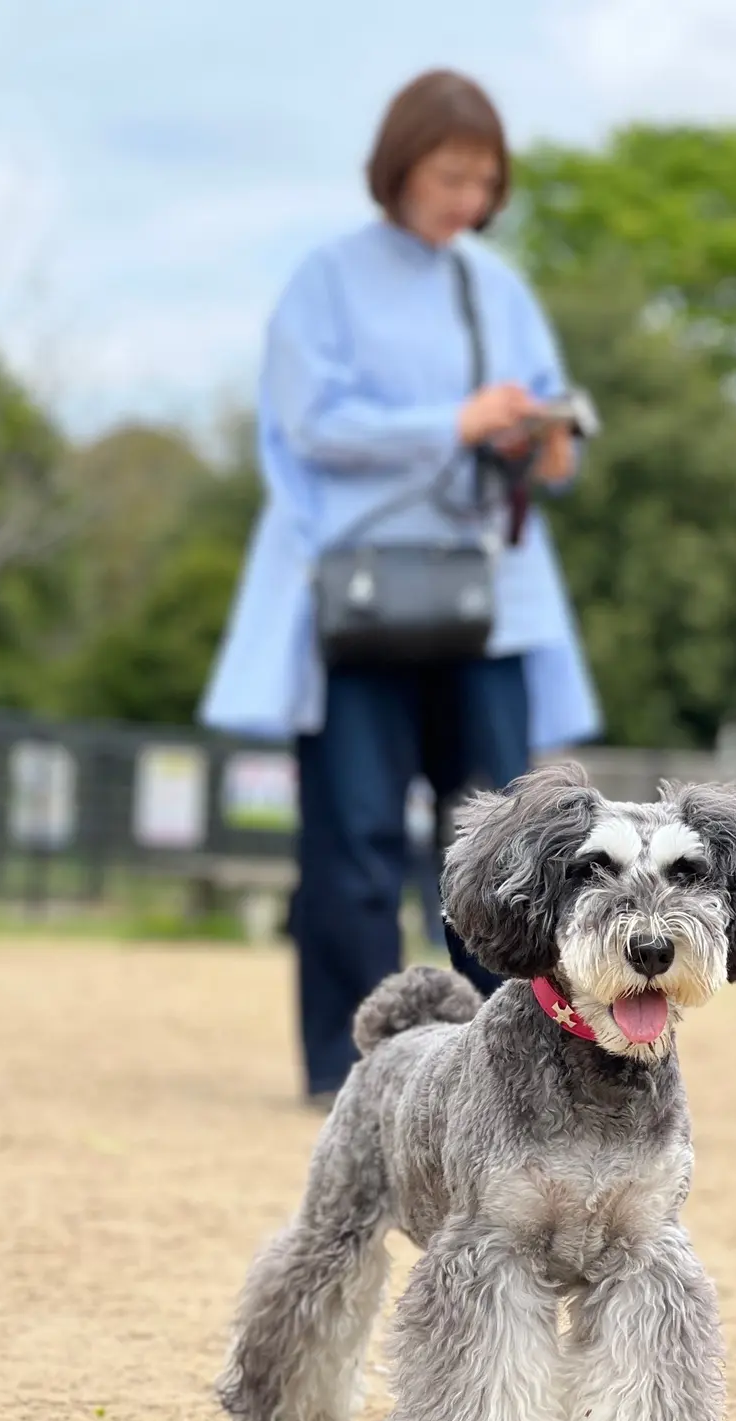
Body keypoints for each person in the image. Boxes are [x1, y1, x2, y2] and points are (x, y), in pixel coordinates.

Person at [200, 70, 601, 1105]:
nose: (467, 199)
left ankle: (507, 1063)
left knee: (498, 844)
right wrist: (452, 423)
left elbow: (544, 432)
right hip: (356, 591)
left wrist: (541, 442)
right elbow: (308, 425)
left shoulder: (494, 287)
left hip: (486, 595)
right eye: (450, 174)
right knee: (355, 835)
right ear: (400, 163)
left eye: (483, 181)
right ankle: (353, 1067)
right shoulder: (325, 279)